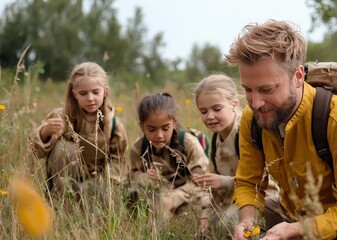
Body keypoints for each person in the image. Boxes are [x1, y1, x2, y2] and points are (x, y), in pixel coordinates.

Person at [225, 20, 337, 240]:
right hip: (293, 212)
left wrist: (297, 229)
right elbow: (249, 182)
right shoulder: (253, 117)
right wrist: (248, 220)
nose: (255, 102)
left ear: (297, 77)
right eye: (248, 89)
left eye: (266, 89)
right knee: (228, 220)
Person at [192, 73, 281, 238]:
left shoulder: (246, 132)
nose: (210, 116)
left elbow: (266, 183)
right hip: (230, 203)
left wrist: (222, 182)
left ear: (234, 104)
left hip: (261, 202)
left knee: (226, 223)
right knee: (209, 227)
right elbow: (215, 194)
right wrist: (205, 218)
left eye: (217, 109)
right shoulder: (215, 140)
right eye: (203, 111)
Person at [29, 61, 128, 203]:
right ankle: (61, 204)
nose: (90, 98)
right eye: (83, 93)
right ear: (74, 93)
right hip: (64, 181)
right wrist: (45, 132)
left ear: (105, 91)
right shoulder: (61, 117)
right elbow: (34, 151)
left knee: (93, 199)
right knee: (65, 149)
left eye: (95, 92)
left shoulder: (114, 125)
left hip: (97, 185)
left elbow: (119, 161)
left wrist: (107, 184)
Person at [128, 92, 211, 222]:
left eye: (165, 128)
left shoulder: (189, 143)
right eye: (151, 129)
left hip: (189, 194)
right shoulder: (138, 148)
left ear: (173, 123)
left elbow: (201, 181)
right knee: (133, 192)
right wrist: (143, 177)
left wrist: (175, 197)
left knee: (207, 205)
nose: (159, 135)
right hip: (160, 194)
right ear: (142, 127)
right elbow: (131, 176)